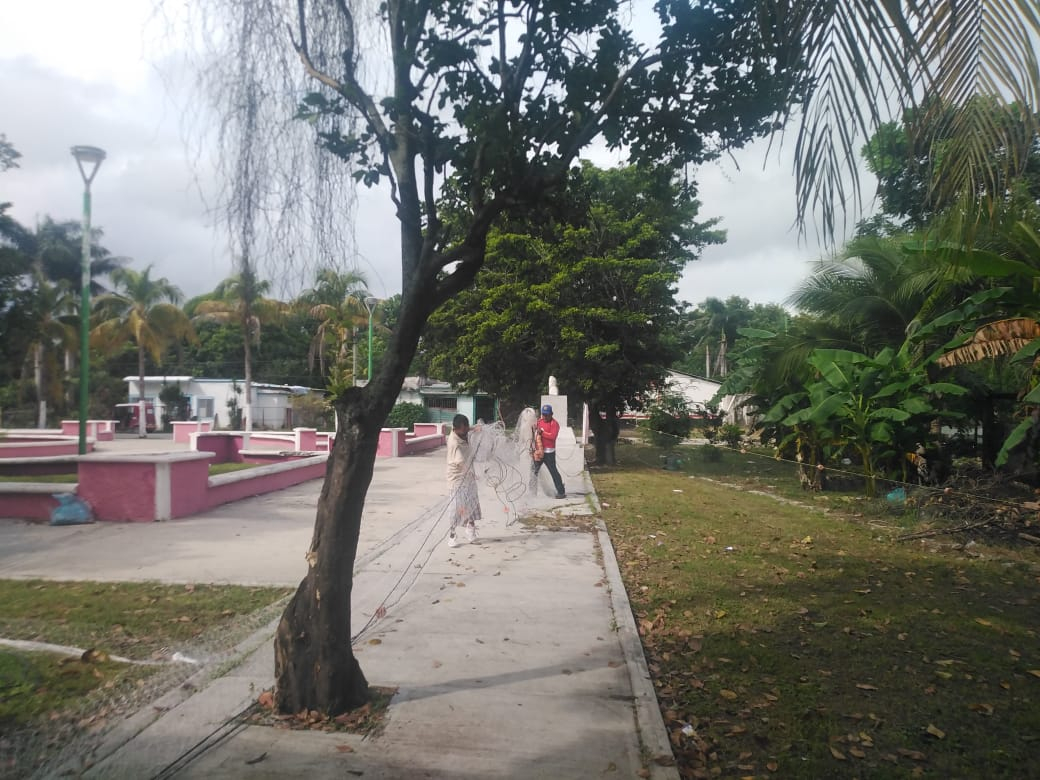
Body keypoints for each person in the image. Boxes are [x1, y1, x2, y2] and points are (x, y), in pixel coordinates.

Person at [446, 413, 481, 547]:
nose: (466, 430)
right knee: (457, 508)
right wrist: (472, 474)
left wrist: (474, 428)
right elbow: (461, 464)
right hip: (457, 479)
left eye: (467, 427)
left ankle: (470, 530)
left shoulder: (462, 432)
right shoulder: (454, 443)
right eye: (464, 428)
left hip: (469, 476)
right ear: (456, 428)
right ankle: (452, 536)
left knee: (472, 504)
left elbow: (467, 428)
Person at [531, 404, 566, 498]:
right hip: (539, 451)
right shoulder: (540, 421)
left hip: (549, 453)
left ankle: (561, 492)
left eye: (547, 415)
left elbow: (553, 437)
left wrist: (542, 433)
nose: (545, 417)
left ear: (551, 414)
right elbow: (535, 433)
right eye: (543, 415)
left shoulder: (554, 424)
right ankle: (531, 493)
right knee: (533, 471)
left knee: (553, 472)